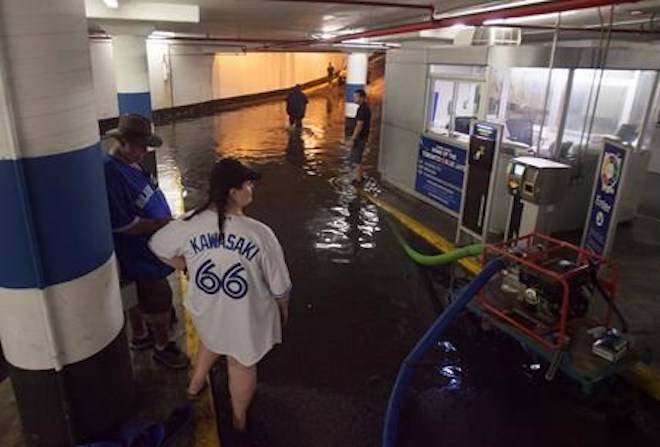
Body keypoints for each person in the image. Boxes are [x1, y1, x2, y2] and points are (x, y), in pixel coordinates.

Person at [149, 158, 292, 436]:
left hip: (208, 309)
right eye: (247, 184)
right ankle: (239, 418)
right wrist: (283, 310)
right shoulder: (259, 234)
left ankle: (194, 386)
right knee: (240, 362)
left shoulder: (188, 223)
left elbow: (157, 245)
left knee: (213, 338)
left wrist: (185, 265)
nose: (252, 189)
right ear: (232, 192)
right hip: (244, 315)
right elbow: (280, 286)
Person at [104, 113, 189, 370]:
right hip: (139, 251)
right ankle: (163, 347)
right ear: (124, 143)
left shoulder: (133, 164)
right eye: (140, 147)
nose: (144, 152)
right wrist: (162, 224)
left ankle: (140, 336)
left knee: (138, 295)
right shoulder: (110, 172)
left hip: (150, 245)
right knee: (160, 296)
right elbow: (121, 223)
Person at [347, 88, 372, 185]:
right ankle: (360, 175)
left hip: (360, 138)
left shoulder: (362, 110)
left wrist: (353, 138)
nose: (354, 99)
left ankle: (358, 180)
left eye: (356, 97)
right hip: (364, 136)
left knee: (356, 158)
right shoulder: (366, 108)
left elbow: (359, 125)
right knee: (358, 157)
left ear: (362, 97)